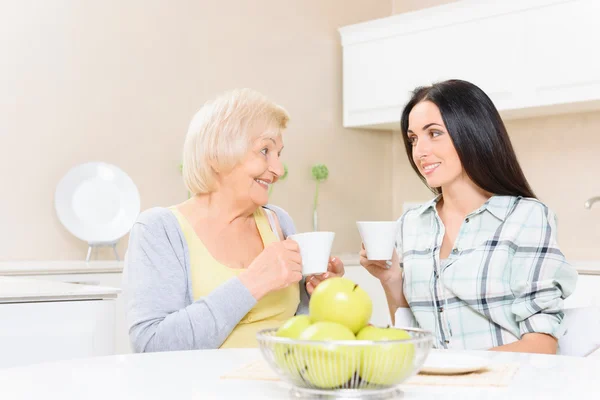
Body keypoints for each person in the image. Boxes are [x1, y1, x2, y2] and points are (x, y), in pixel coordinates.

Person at [360, 79, 578, 354]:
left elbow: (542, 343)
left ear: (471, 133)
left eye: (434, 133)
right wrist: (391, 280)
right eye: (413, 139)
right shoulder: (411, 224)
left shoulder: (525, 217)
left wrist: (453, 368)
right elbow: (411, 337)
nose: (420, 151)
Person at [125, 89, 344, 352]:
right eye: (264, 150)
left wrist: (320, 296)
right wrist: (254, 281)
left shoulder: (278, 221)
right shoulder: (159, 229)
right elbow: (152, 346)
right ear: (217, 155)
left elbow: (300, 332)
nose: (279, 169)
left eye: (278, 153)